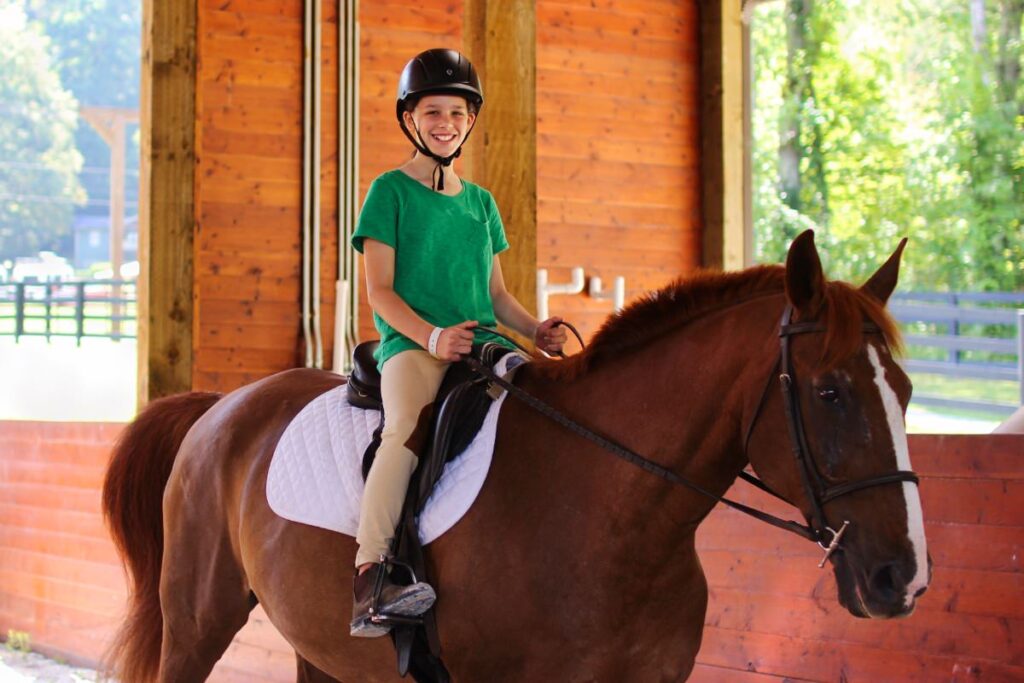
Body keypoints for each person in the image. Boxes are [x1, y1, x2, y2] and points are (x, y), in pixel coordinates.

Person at [349, 48, 567, 637]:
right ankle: (372, 575)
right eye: (432, 112)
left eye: (456, 112)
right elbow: (381, 293)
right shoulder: (388, 192)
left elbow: (496, 295)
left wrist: (533, 329)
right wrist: (431, 335)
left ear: (470, 120)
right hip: (414, 346)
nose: (445, 123)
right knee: (404, 430)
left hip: (484, 341)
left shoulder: (481, 204)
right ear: (410, 120)